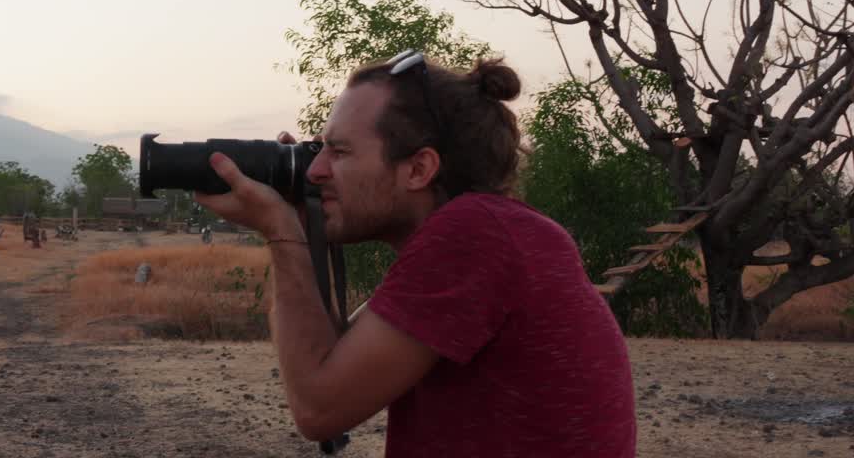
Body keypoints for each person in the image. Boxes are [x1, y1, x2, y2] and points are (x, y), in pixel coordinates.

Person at [194, 51, 636, 457]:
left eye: (339, 151)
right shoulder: (496, 230)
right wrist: (301, 226)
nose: (313, 170)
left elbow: (319, 407)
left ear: (419, 169)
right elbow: (338, 356)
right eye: (317, 149)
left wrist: (281, 233)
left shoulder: (475, 234)